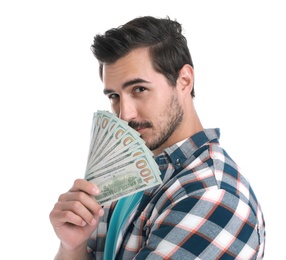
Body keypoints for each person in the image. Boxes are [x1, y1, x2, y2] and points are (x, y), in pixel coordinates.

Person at [49, 16, 265, 259]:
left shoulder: (211, 195)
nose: (124, 114)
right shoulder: (127, 177)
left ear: (184, 81)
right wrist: (72, 246)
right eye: (114, 96)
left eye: (139, 89)